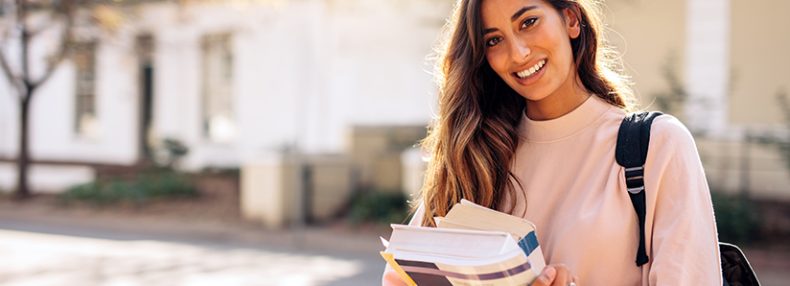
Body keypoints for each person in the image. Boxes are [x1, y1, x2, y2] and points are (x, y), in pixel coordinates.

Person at [382, 0, 722, 285]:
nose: (518, 53)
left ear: (570, 18)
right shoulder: (475, 155)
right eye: (493, 40)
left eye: (528, 22)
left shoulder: (656, 147)